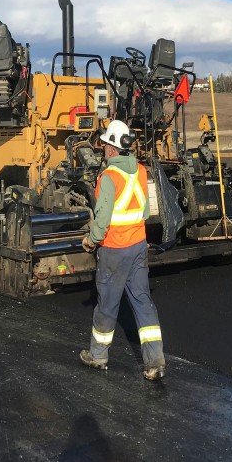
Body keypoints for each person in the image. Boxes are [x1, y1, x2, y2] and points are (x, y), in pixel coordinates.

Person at [79, 119, 166, 381]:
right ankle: (155, 362)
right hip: (137, 246)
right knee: (142, 302)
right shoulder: (140, 171)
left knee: (107, 304)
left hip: (114, 249)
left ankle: (98, 355)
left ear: (112, 148)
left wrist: (91, 241)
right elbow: (144, 212)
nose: (103, 148)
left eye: (105, 144)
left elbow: (102, 219)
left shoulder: (108, 177)